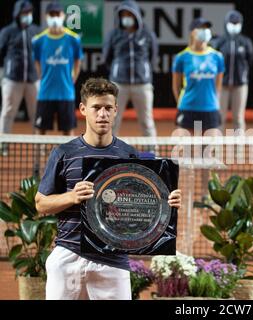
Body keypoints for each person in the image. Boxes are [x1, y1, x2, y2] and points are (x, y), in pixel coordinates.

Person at [34, 78, 182, 300]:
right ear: (83, 109)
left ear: (115, 111)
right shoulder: (64, 153)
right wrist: (72, 196)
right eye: (96, 108)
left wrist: (167, 203)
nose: (102, 114)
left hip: (113, 260)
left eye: (108, 108)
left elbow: (146, 207)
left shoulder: (129, 156)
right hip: (68, 255)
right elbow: (41, 204)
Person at [172, 17, 224, 198]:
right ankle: (183, 193)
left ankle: (205, 193)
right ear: (192, 32)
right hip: (187, 109)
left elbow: (218, 85)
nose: (205, 32)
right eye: (201, 28)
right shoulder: (182, 57)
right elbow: (176, 86)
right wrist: (183, 102)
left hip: (210, 110)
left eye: (207, 28)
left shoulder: (217, 57)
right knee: (184, 153)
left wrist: (212, 101)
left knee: (207, 153)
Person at [102, 0, 158, 138]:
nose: (126, 17)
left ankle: (151, 155)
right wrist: (117, 71)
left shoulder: (147, 34)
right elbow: (106, 57)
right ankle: (110, 153)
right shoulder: (113, 34)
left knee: (147, 122)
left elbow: (153, 56)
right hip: (118, 85)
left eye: (130, 14)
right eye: (123, 15)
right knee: (113, 121)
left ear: (136, 16)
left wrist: (143, 71)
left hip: (142, 85)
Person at [31, 1, 83, 136]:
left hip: (66, 93)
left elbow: (78, 60)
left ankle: (69, 158)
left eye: (57, 14)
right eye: (51, 14)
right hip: (45, 93)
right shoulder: (38, 40)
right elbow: (36, 60)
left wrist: (73, 78)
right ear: (46, 17)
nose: (55, 17)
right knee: (40, 131)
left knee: (68, 131)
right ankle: (38, 158)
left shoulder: (73, 39)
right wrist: (42, 76)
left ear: (63, 16)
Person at [0, 0, 40, 139]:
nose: (27, 15)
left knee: (36, 113)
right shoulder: (7, 31)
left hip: (33, 79)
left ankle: (38, 144)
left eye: (29, 12)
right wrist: (5, 72)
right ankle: (3, 143)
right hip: (12, 79)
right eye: (24, 12)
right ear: (17, 14)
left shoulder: (36, 30)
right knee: (8, 112)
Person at [210, 10, 253, 132]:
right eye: (232, 22)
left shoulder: (245, 42)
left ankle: (238, 151)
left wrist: (241, 75)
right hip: (222, 86)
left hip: (240, 86)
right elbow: (213, 62)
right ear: (226, 23)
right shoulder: (219, 42)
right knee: (219, 117)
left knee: (238, 118)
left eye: (237, 23)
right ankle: (216, 149)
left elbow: (250, 60)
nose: (234, 25)